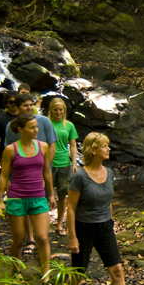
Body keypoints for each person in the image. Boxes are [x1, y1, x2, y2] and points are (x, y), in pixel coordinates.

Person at [67, 132, 129, 285]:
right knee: (78, 273)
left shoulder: (109, 173)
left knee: (117, 271)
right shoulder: (80, 176)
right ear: (93, 150)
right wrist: (72, 237)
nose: (108, 149)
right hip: (84, 228)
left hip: (104, 228)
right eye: (104, 146)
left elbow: (108, 201)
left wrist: (110, 223)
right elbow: (70, 208)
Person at [0, 113, 56, 280]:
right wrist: (0, 200)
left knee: (43, 238)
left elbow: (46, 172)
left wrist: (51, 195)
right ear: (21, 130)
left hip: (38, 197)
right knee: (19, 239)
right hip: (17, 198)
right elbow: (4, 175)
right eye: (32, 127)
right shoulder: (10, 149)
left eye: (37, 126)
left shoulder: (43, 146)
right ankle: (16, 272)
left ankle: (46, 277)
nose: (36, 130)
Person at [47, 97, 79, 237]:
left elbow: (72, 145)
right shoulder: (46, 123)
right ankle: (43, 223)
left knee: (62, 195)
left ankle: (59, 224)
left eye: (61, 109)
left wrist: (74, 163)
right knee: (45, 194)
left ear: (64, 110)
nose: (58, 112)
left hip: (64, 164)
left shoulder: (69, 125)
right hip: (48, 164)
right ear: (51, 110)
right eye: (55, 110)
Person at [0, 93, 20, 170]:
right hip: (5, 155)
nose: (14, 104)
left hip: (24, 155)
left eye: (16, 102)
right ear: (6, 103)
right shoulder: (1, 120)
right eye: (11, 102)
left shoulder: (24, 117)